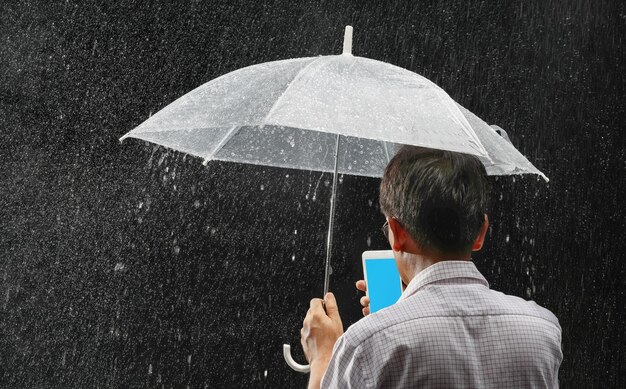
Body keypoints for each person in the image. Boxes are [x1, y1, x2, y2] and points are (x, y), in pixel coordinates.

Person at [300, 146, 562, 388]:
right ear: (481, 232)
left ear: (396, 232)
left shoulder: (366, 343)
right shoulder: (542, 329)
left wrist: (323, 358)